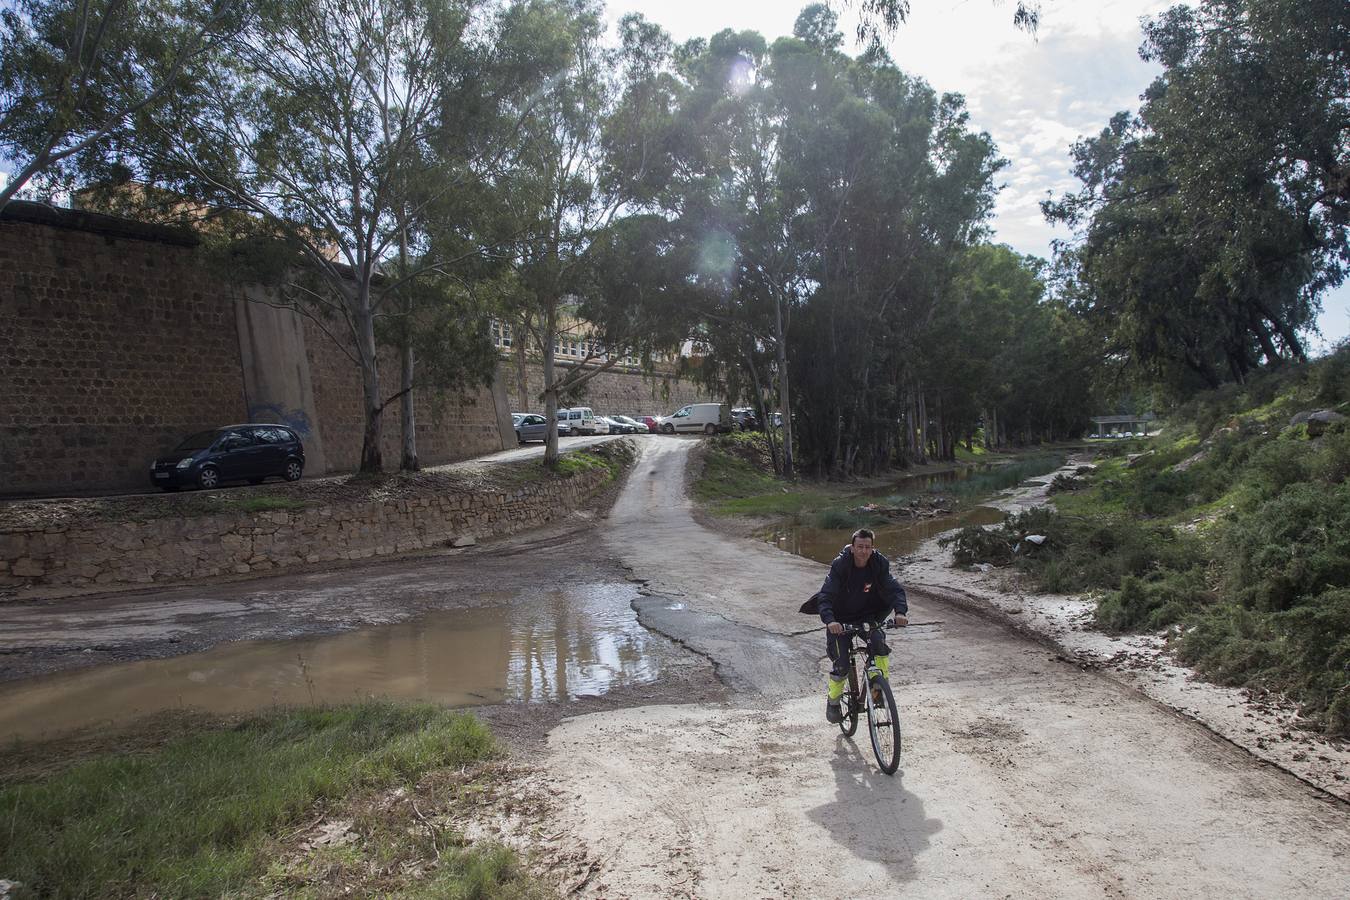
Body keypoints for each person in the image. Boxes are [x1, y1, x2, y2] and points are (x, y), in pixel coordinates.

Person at [817, 527, 908, 724]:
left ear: (872, 548)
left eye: (868, 547)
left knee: (879, 646)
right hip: (840, 619)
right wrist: (830, 620)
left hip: (867, 615)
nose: (864, 551)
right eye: (860, 547)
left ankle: (878, 692)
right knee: (841, 664)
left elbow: (894, 589)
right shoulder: (841, 565)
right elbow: (826, 595)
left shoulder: (878, 563)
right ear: (852, 547)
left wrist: (900, 612)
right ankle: (833, 702)